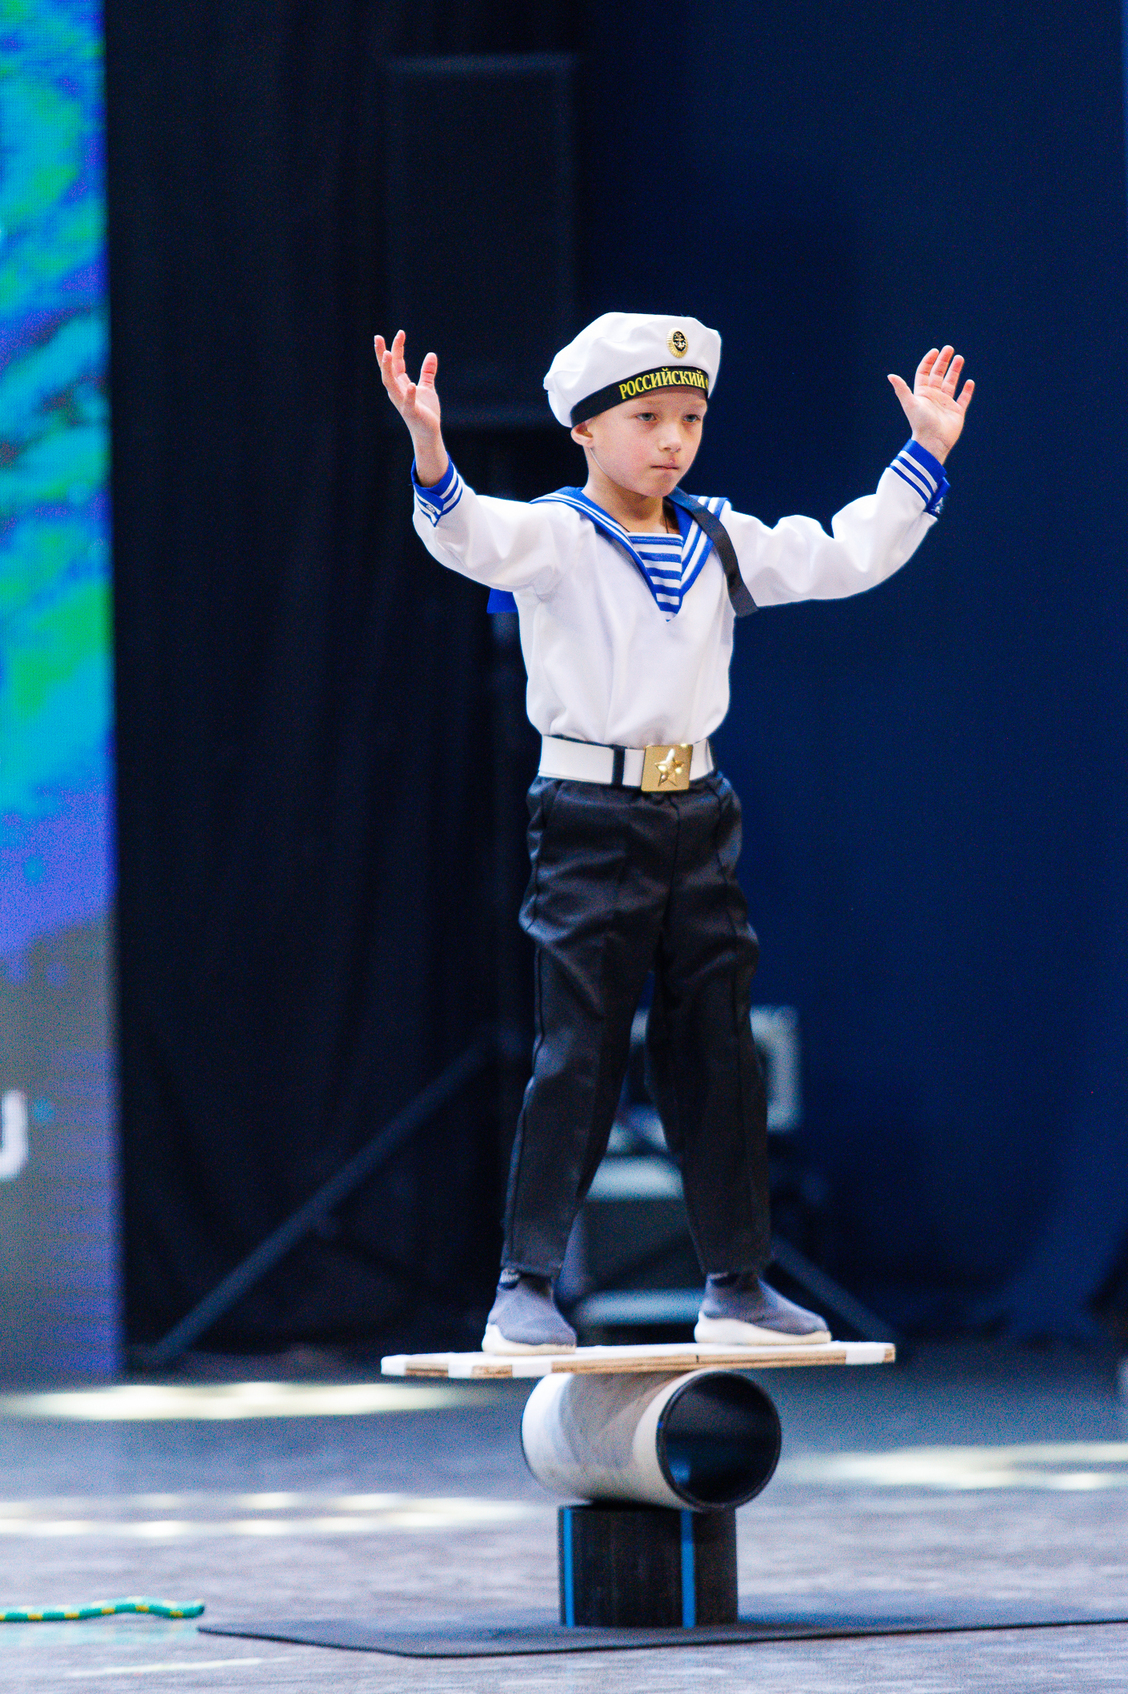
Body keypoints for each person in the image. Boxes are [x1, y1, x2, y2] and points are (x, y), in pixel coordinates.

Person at [374, 312, 972, 1353]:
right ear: (584, 428)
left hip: (696, 811)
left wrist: (921, 453)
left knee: (717, 1051)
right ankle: (524, 1285)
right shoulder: (559, 535)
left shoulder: (716, 535)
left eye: (689, 419)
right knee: (580, 1051)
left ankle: (737, 1285)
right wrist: (430, 447)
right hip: (590, 818)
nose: (671, 441)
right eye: (646, 418)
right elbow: (469, 534)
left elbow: (841, 555)